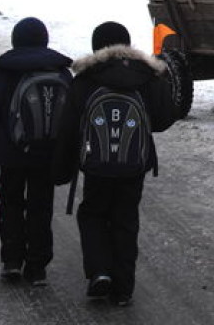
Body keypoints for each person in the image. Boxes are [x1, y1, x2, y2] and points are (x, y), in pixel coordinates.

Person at [53, 21, 176, 306]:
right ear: (127, 43)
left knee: (93, 213)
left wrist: (61, 169)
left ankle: (99, 272)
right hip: (134, 164)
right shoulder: (147, 76)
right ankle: (123, 288)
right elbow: (164, 118)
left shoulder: (86, 78)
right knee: (125, 218)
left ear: (97, 47)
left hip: (96, 165)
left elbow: (69, 127)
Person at [0, 17, 72, 285]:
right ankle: (37, 267)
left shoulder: (3, 70)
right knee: (41, 206)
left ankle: (12, 261)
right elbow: (71, 115)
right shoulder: (61, 70)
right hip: (48, 152)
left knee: (12, 203)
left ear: (15, 39)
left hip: (12, 153)